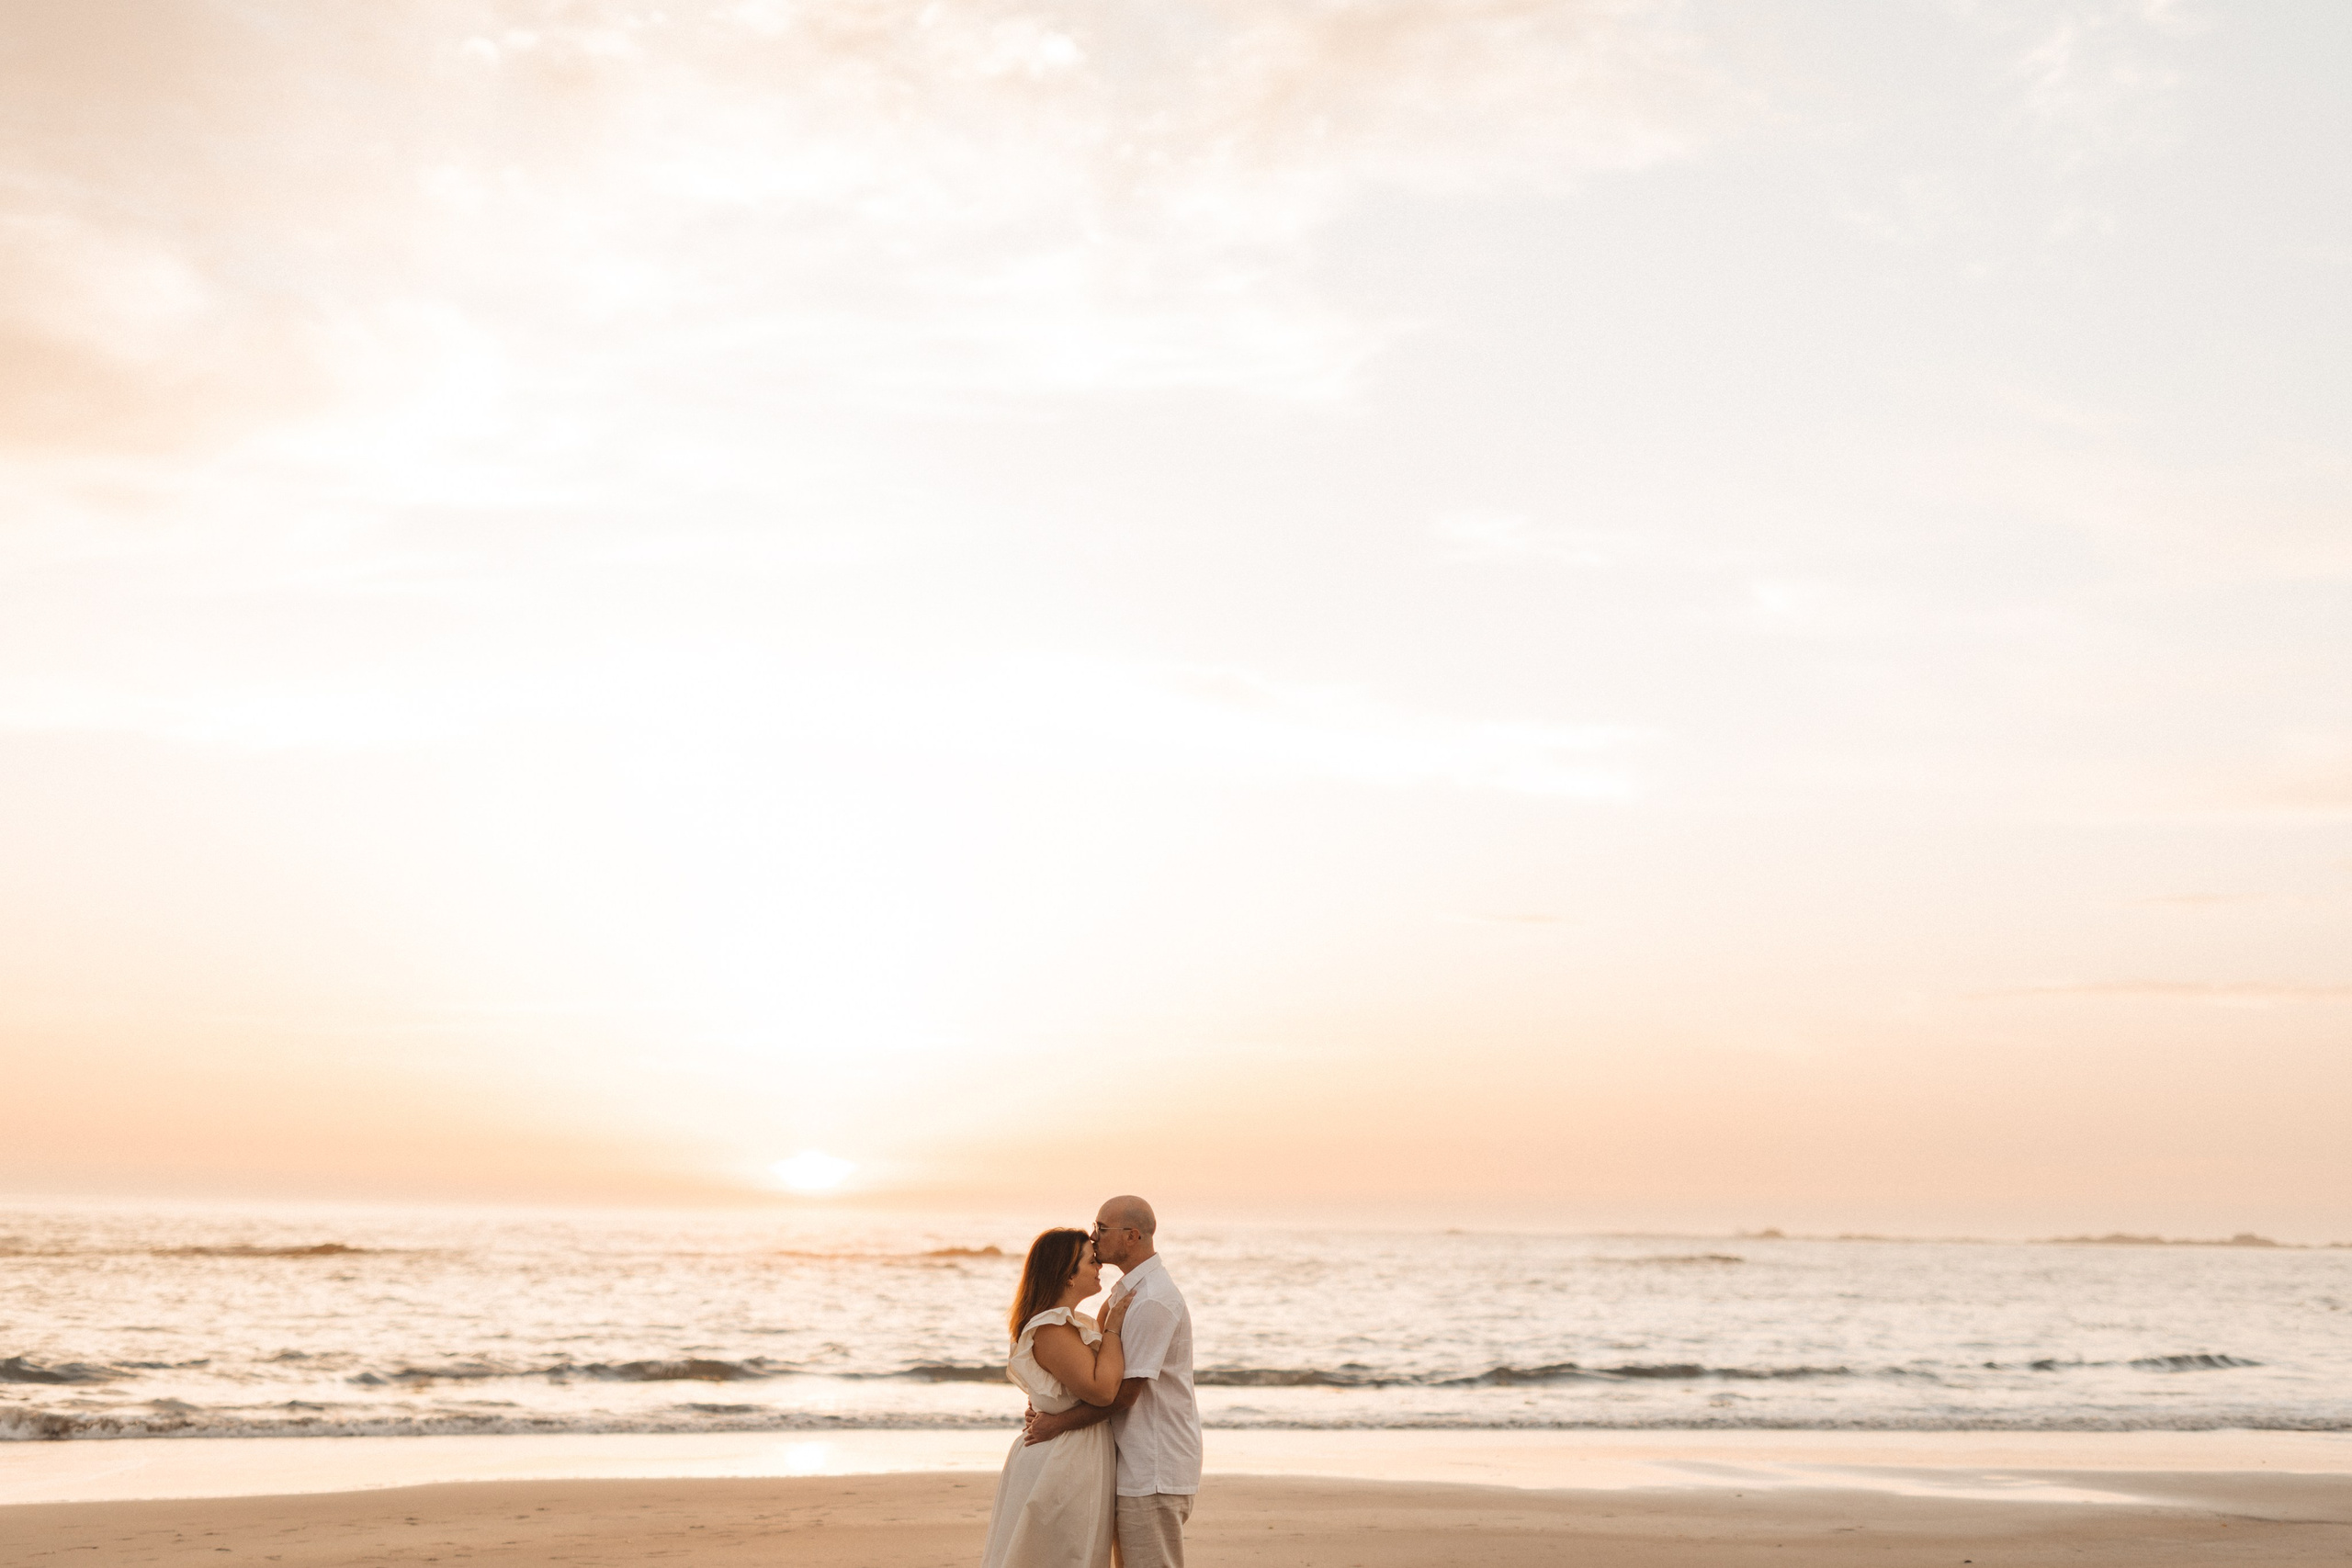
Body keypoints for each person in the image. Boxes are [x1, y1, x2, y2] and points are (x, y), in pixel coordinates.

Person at [1022, 1196, 1200, 1568]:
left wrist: (1055, 1424)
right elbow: (1090, 1370)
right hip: (1133, 1462)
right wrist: (1047, 1401)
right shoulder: (1125, 1292)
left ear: (1132, 1236)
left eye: (1101, 1229)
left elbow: (1123, 1395)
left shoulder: (1151, 1299)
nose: (1093, 1235)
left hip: (1152, 1466)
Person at [979, 1226, 1134, 1568]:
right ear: (1067, 1275)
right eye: (1091, 1262)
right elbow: (1103, 1391)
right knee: (1060, 1555)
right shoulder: (1051, 1328)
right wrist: (1112, 1329)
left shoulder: (1072, 1323)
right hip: (1061, 1461)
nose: (1099, 1268)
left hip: (1073, 1452)